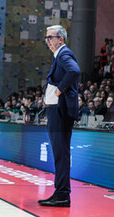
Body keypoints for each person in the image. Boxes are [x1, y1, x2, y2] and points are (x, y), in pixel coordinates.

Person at [39, 25, 80, 207]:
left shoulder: (64, 54)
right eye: (46, 38)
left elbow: (74, 71)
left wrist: (59, 89)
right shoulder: (59, 55)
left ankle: (63, 194)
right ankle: (60, 192)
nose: (47, 41)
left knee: (61, 153)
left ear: (61, 39)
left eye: (51, 37)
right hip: (56, 110)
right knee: (59, 153)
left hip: (61, 111)